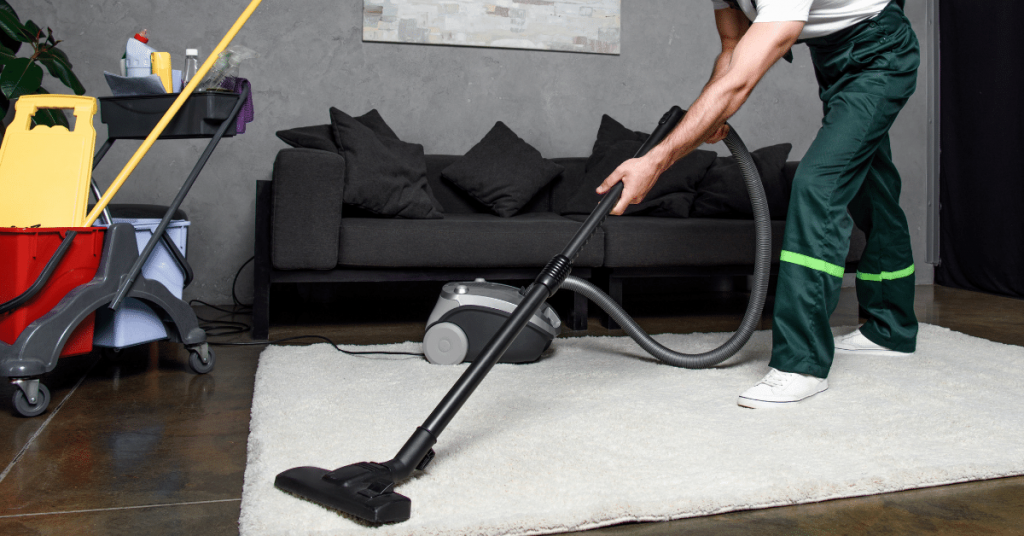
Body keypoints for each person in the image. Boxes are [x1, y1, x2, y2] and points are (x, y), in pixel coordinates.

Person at [596, 0, 920, 408]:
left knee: (818, 185)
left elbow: (739, 82)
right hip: (834, 59)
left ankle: (801, 364)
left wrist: (657, 160)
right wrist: (707, 115)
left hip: (880, 53)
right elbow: (733, 48)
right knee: (872, 188)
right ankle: (891, 328)